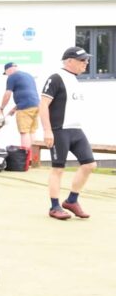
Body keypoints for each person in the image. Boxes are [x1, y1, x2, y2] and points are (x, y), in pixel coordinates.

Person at [40, 47, 96, 220]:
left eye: (87, 60)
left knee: (89, 165)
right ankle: (54, 206)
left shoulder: (75, 80)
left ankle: (72, 200)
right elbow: (43, 105)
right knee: (58, 169)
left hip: (76, 130)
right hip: (59, 131)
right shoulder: (56, 78)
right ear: (69, 61)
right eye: (82, 60)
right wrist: (47, 130)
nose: (86, 63)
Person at [0, 62, 39, 148]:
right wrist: (14, 109)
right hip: (36, 106)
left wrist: (1, 108)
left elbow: (7, 94)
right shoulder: (28, 76)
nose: (7, 75)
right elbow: (28, 95)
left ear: (8, 70)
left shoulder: (12, 77)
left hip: (25, 108)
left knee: (24, 132)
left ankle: (26, 158)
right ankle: (34, 158)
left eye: (6, 73)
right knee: (32, 131)